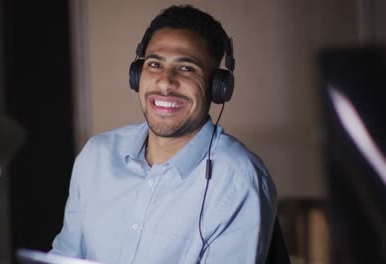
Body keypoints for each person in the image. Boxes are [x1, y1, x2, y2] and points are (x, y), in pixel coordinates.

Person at [50, 5, 277, 264]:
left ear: (219, 87)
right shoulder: (96, 156)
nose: (165, 82)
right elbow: (64, 256)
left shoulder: (237, 179)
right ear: (137, 75)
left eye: (187, 69)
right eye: (155, 64)